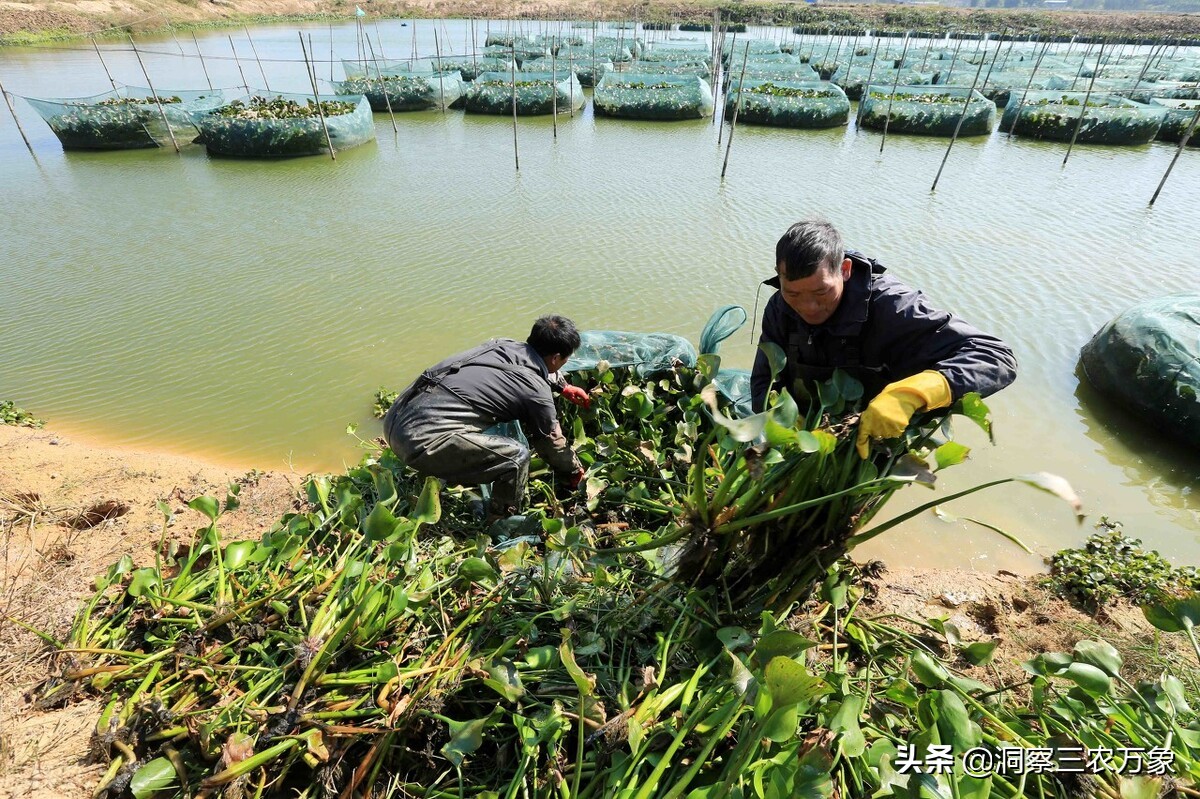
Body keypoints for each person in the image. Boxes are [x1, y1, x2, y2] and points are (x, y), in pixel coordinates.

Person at [750, 220, 1017, 458]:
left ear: (844, 270)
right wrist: (780, 426)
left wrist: (912, 394)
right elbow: (764, 379)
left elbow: (995, 356)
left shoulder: (894, 306)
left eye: (821, 292)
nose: (808, 306)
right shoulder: (779, 307)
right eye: (793, 293)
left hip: (876, 440)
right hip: (807, 437)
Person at [383, 315, 590, 520]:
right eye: (565, 359)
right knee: (516, 458)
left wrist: (564, 387)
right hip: (417, 444)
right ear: (555, 358)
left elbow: (538, 368)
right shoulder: (537, 391)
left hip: (395, 419)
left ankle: (447, 468)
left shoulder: (502, 344)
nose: (565, 363)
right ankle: (499, 519)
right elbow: (550, 443)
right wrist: (573, 470)